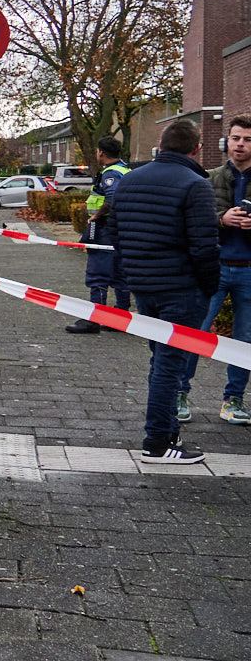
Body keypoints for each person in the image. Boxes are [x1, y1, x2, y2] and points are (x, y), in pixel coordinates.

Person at [106, 119, 218, 464]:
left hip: (144, 286)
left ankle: (168, 433)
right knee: (170, 364)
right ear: (196, 149)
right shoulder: (196, 185)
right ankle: (157, 441)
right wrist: (209, 289)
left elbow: (114, 232)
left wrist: (133, 273)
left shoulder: (129, 181)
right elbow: (205, 247)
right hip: (182, 289)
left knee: (161, 359)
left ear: (161, 145)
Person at [179, 115, 251, 425]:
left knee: (245, 339)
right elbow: (195, 220)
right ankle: (180, 394)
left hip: (249, 269)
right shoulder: (208, 178)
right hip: (216, 267)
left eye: (247, 139)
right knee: (195, 332)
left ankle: (233, 400)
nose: (240, 144)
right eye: (235, 138)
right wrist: (222, 219)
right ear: (226, 142)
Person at [66, 136, 131, 335]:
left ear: (101, 152)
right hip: (120, 229)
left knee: (98, 273)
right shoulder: (125, 169)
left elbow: (111, 198)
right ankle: (121, 318)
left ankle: (96, 319)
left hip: (105, 229)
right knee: (120, 273)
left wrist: (95, 216)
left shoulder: (111, 173)